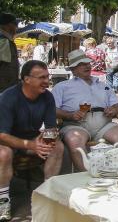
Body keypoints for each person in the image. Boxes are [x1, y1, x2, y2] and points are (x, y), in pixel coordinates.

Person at [0, 61, 65, 220]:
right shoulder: (8, 97)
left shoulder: (47, 96)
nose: (46, 81)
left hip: (31, 137)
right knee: (3, 154)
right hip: (6, 139)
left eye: (47, 77)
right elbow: (2, 135)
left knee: (57, 147)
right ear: (26, 79)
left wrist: (47, 140)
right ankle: (3, 202)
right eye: (41, 77)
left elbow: (50, 128)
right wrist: (31, 145)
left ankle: (46, 195)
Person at [52, 50, 118, 170]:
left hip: (104, 124)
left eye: (87, 63)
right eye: (81, 64)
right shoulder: (62, 86)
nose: (87, 66)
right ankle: (85, 176)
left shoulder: (102, 84)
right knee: (74, 140)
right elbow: (52, 109)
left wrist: (114, 110)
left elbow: (117, 104)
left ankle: (112, 171)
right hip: (75, 125)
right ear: (73, 69)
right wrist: (70, 115)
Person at [0, 13, 19, 94]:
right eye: (15, 24)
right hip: (4, 90)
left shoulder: (7, 40)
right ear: (9, 25)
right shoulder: (4, 41)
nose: (16, 27)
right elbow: (6, 68)